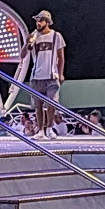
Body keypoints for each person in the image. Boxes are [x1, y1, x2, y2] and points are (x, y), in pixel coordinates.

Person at [26, 10, 67, 138]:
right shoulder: (34, 35)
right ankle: (40, 131)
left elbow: (61, 57)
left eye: (41, 20)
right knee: (38, 106)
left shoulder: (56, 36)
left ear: (47, 22)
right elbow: (24, 54)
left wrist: (60, 74)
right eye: (37, 20)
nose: (38, 23)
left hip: (51, 76)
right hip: (37, 76)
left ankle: (49, 127)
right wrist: (28, 42)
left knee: (51, 103)